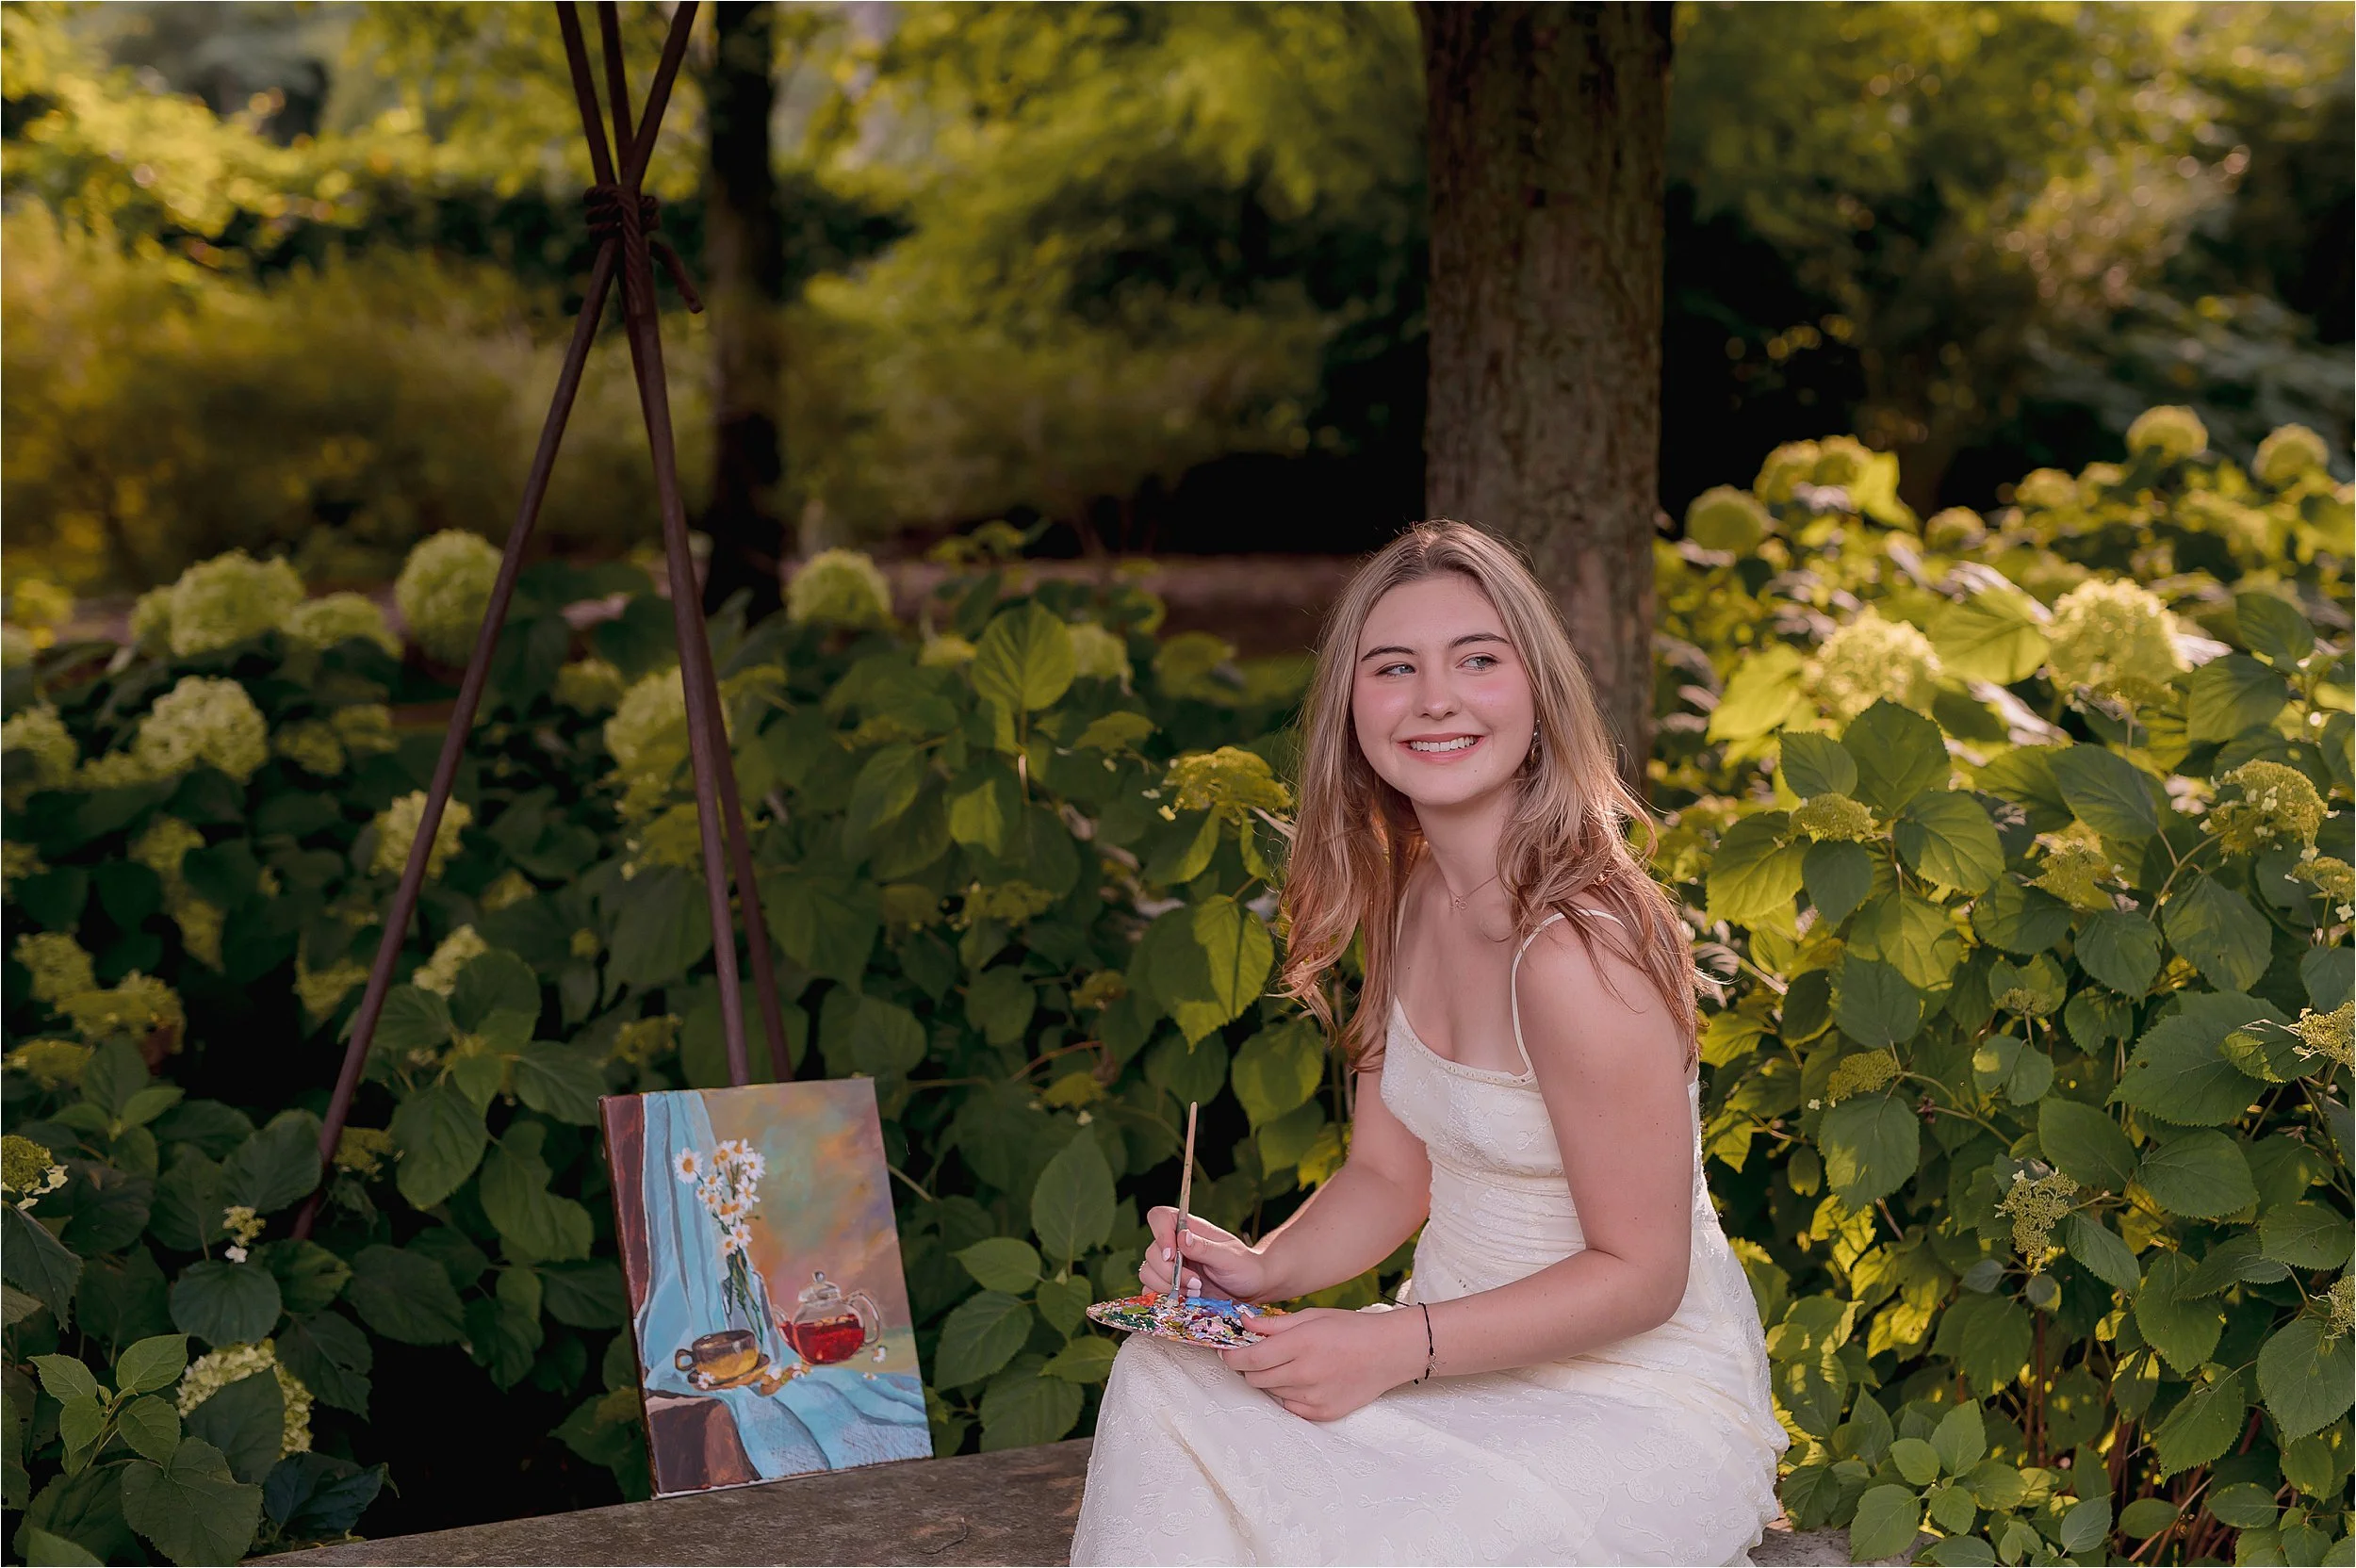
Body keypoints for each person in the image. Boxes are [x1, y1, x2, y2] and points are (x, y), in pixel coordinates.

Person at [1069, 521, 1788, 1566]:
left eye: (1477, 660)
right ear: (1352, 707)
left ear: (1537, 692)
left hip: (1628, 1406)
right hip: (1444, 1359)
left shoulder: (1575, 949)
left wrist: (1388, 1347)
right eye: (1393, 667)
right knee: (1161, 1374)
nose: (1434, 698)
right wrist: (1259, 1270)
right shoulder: (1408, 899)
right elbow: (1385, 1172)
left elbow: (1642, 1273)